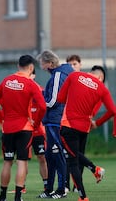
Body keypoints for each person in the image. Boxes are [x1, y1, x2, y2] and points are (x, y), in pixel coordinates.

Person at [0, 55, 46, 201]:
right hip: (24, 127)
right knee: (22, 161)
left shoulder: (7, 80)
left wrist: (2, 117)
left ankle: (2, 197)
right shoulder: (31, 84)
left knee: (7, 161)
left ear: (18, 66)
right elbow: (42, 106)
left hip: (8, 127)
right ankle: (17, 197)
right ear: (31, 68)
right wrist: (36, 122)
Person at [57, 65, 115, 201]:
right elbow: (113, 111)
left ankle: (83, 197)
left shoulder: (74, 75)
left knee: (72, 160)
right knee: (74, 154)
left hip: (69, 124)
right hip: (84, 128)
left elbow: (60, 98)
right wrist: (98, 123)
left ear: (90, 73)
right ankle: (95, 169)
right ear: (100, 77)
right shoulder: (102, 88)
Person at [37, 50, 74, 199]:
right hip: (54, 119)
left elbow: (53, 101)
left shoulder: (58, 75)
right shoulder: (63, 72)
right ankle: (49, 189)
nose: (41, 66)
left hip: (55, 120)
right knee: (50, 156)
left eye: (42, 63)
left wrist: (38, 99)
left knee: (57, 154)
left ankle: (61, 189)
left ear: (50, 63)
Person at [65, 54, 82, 192]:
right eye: (70, 64)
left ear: (80, 65)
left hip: (82, 123)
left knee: (79, 153)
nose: (72, 67)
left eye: (75, 64)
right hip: (67, 123)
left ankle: (77, 186)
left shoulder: (85, 81)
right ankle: (65, 185)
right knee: (67, 154)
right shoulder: (66, 80)